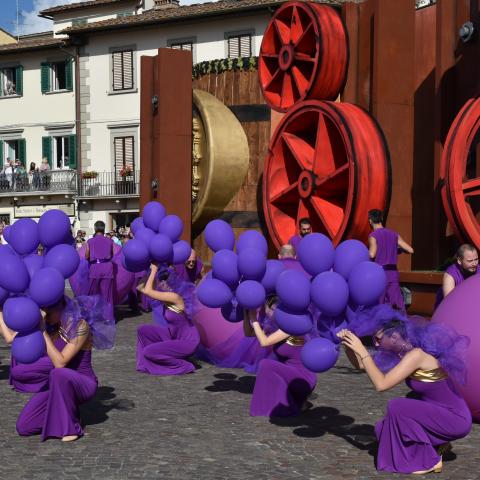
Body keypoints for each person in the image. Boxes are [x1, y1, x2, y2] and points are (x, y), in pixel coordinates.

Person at [337, 305, 471, 474]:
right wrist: (349, 346)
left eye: (378, 339)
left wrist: (362, 350)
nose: (375, 343)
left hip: (455, 419)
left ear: (394, 336)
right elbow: (363, 364)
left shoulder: (416, 355)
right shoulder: (400, 352)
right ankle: (437, 443)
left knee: (397, 407)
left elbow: (381, 385)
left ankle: (429, 461)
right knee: (386, 427)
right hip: (440, 413)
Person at [11, 296, 114, 442]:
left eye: (48, 312)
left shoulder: (80, 326)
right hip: (55, 382)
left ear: (60, 308)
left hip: (81, 382)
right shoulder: (51, 328)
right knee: (24, 426)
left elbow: (60, 362)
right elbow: (11, 339)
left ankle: (71, 426)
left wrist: (43, 332)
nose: (45, 317)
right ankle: (67, 411)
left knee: (58, 372)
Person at [247, 296, 317, 417]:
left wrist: (254, 320)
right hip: (291, 375)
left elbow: (264, 342)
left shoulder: (290, 327)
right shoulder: (276, 329)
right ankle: (295, 402)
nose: (268, 311)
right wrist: (246, 313)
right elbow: (249, 333)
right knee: (270, 364)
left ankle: (271, 408)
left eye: (271, 308)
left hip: (303, 378)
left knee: (266, 364)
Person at [136, 264, 200, 375]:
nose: (161, 285)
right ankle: (144, 365)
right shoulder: (167, 295)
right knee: (142, 330)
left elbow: (147, 291)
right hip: (173, 336)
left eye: (163, 282)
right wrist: (150, 270)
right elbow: (140, 287)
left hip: (188, 342)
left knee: (148, 351)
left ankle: (185, 365)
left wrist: (154, 270)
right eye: (160, 282)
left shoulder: (175, 297)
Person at [368, 209, 414, 310]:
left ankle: (379, 325)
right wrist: (396, 249)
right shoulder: (394, 234)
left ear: (370, 221)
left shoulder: (373, 235)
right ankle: (402, 324)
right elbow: (410, 250)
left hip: (379, 274)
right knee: (397, 303)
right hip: (393, 273)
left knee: (379, 303)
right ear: (382, 219)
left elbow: (372, 254)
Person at [85, 221, 115, 322]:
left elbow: (86, 256)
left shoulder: (90, 241)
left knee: (92, 294)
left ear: (95, 228)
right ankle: (108, 318)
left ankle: (92, 317)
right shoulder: (110, 241)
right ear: (104, 229)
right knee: (107, 295)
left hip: (95, 269)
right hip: (107, 268)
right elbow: (112, 254)